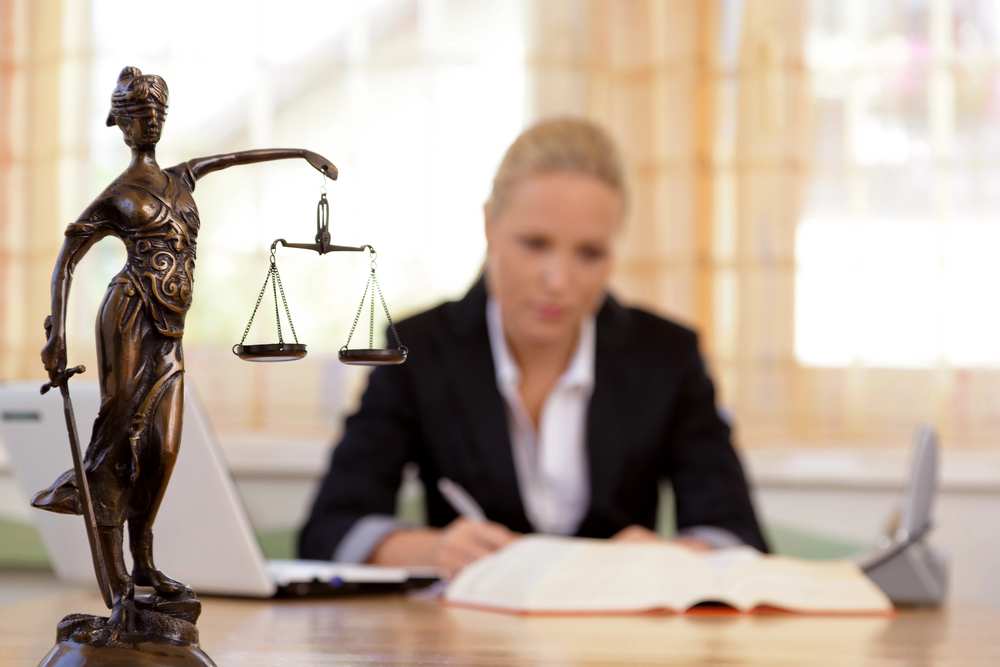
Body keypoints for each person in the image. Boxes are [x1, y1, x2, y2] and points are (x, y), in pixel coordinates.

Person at [299, 118, 767, 576]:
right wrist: (433, 550)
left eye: (590, 253)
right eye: (534, 243)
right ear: (489, 225)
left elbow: (738, 537)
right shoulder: (419, 349)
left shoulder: (667, 355)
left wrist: (672, 558)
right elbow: (330, 528)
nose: (558, 281)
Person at [35, 66, 336, 630]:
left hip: (171, 327)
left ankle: (145, 560)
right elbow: (67, 258)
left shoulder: (183, 177)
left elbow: (236, 158)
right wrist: (56, 331)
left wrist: (299, 152)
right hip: (127, 313)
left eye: (155, 114)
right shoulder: (117, 194)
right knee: (117, 437)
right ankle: (119, 577)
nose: (148, 121)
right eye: (136, 114)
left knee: (164, 446)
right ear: (120, 124)